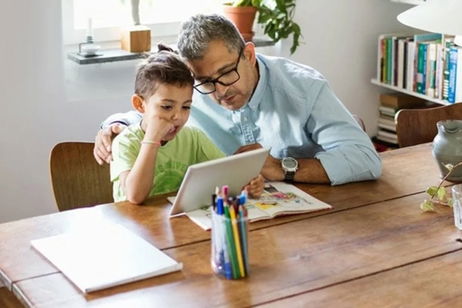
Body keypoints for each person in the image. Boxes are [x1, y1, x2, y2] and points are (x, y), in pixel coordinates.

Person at [96, 14, 381, 186]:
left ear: (249, 55)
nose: (219, 91)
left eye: (226, 73)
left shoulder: (304, 87)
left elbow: (366, 160)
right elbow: (154, 111)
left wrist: (281, 168)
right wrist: (115, 124)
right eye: (206, 81)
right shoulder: (195, 90)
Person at [110, 46, 264, 204]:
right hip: (133, 225)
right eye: (167, 107)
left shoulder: (193, 138)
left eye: (186, 107)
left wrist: (248, 183)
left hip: (176, 223)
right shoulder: (125, 143)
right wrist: (152, 140)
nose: (178, 116)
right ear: (140, 104)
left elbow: (228, 175)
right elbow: (135, 196)